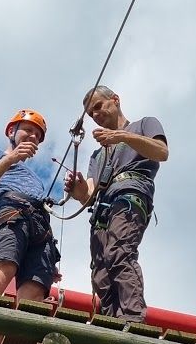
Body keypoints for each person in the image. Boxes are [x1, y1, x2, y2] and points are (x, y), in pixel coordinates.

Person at [64, 85, 168, 322]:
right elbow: (88, 195)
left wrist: (121, 136)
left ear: (115, 100)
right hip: (103, 208)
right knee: (100, 271)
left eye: (98, 106)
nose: (95, 115)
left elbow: (161, 152)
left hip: (129, 195)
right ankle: (112, 323)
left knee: (119, 252)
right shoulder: (97, 155)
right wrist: (78, 189)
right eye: (91, 114)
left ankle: (132, 318)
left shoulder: (144, 124)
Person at [0, 109, 61, 300]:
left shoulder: (36, 179)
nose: (34, 137)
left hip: (41, 226)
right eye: (28, 130)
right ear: (12, 131)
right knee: (3, 267)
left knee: (36, 287)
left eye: (38, 136)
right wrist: (11, 158)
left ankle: (19, 322)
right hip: (13, 213)